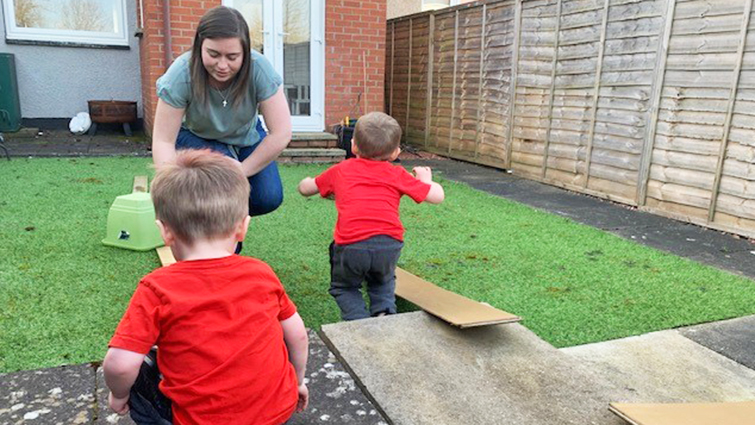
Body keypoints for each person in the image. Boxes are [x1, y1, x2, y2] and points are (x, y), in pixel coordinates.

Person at [103, 150, 309, 425]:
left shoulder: (157, 288)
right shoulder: (262, 273)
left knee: (142, 368)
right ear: (242, 229)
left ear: (164, 231)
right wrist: (297, 383)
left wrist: (118, 396)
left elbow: (120, 364)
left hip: (201, 420)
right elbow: (297, 335)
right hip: (278, 413)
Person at [297, 112, 445, 321]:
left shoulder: (342, 170)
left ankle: (358, 322)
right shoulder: (398, 174)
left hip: (351, 246)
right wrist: (426, 179)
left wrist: (306, 181)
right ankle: (383, 314)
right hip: (389, 245)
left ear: (354, 145)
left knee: (345, 288)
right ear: (395, 153)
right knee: (382, 283)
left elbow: (306, 189)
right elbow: (437, 196)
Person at [151, 5, 291, 218]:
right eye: (214, 54)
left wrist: (241, 170)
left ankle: (225, 218)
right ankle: (221, 239)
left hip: (246, 136)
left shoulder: (259, 69)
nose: (222, 65)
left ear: (245, 52)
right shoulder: (180, 74)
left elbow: (281, 133)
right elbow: (163, 141)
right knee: (220, 187)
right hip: (196, 135)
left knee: (266, 197)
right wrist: (170, 187)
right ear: (200, 45)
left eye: (232, 57)